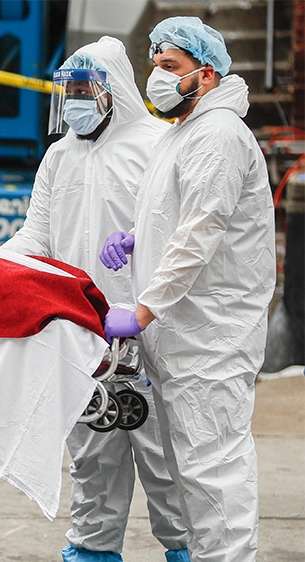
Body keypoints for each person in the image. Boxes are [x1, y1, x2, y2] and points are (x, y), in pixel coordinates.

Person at [3, 37, 187, 562]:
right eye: (70, 90)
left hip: (148, 329)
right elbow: (35, 235)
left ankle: (187, 550)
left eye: (85, 88)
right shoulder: (59, 157)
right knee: (91, 454)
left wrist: (137, 240)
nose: (77, 99)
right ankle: (93, 551)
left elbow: (182, 230)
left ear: (113, 89)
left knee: (164, 457)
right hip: (82, 330)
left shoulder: (158, 143)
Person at [100, 17, 276, 562]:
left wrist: (145, 309)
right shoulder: (185, 132)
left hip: (211, 336)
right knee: (192, 469)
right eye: (154, 65)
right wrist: (136, 237)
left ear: (206, 75)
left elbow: (202, 231)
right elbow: (177, 214)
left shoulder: (218, 134)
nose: (157, 78)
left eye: (170, 67)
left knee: (213, 467)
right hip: (187, 335)